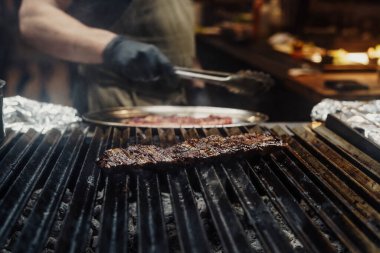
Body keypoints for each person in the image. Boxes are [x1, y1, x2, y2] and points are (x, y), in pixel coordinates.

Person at [19, 0, 197, 113]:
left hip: (177, 110)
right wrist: (112, 47)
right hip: (117, 112)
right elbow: (33, 17)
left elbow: (172, 32)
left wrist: (197, 81)